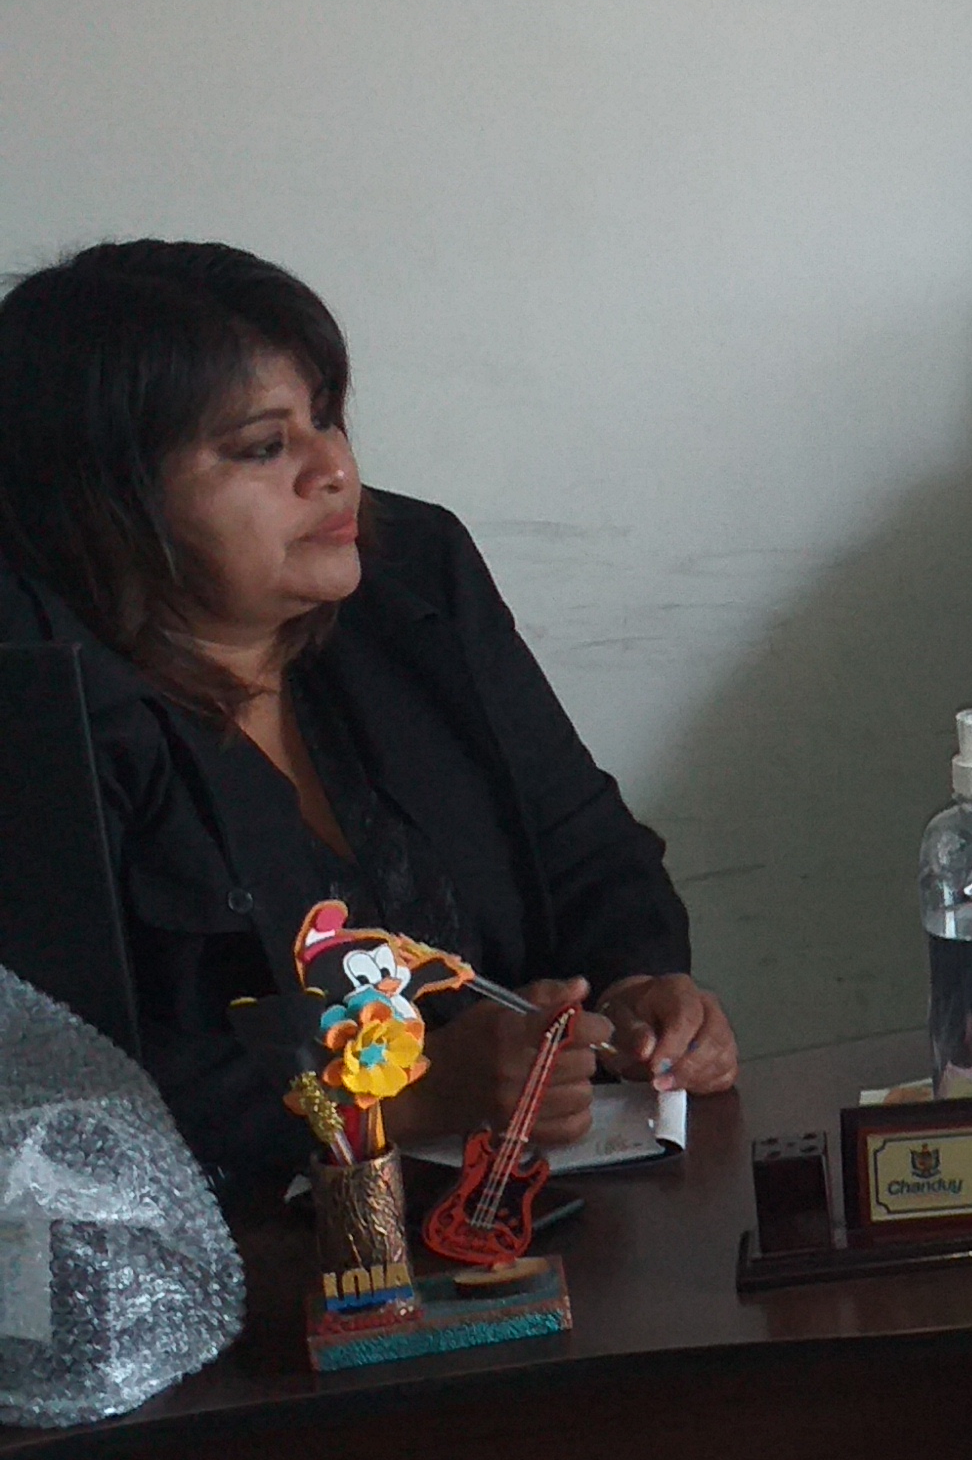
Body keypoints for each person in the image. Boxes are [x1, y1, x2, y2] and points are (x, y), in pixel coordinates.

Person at [0, 242, 739, 1200]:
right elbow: (59, 1082)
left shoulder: (411, 576)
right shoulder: (38, 699)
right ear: (107, 496)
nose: (336, 471)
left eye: (327, 419)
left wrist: (640, 992)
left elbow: (586, 847)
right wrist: (405, 1094)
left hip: (530, 1207)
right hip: (234, 1260)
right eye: (265, 448)